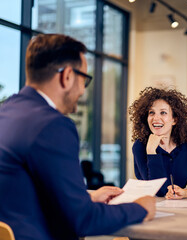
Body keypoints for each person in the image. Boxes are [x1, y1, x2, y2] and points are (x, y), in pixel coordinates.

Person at [0, 34, 155, 240]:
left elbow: (21, 189)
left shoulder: (7, 112)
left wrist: (89, 195)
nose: (83, 90)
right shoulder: (52, 125)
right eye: (85, 79)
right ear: (67, 76)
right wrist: (140, 208)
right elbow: (83, 220)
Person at [128, 87, 187, 196]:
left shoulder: (186, 146)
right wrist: (151, 151)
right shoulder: (140, 146)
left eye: (163, 113)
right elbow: (158, 191)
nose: (156, 118)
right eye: (151, 113)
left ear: (174, 119)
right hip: (155, 207)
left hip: (183, 206)